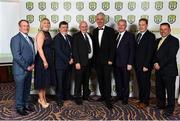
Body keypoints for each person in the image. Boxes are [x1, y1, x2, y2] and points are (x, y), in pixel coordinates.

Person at [153, 23, 179, 117]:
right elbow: (154, 54)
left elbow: (171, 56)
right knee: (160, 89)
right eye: (161, 29)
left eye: (165, 29)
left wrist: (160, 64)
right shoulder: (157, 40)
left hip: (169, 70)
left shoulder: (174, 40)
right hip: (158, 69)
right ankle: (161, 105)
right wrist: (155, 63)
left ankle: (170, 109)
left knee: (170, 91)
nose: (162, 31)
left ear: (169, 30)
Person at [10, 19, 35, 115]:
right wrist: (27, 66)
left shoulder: (30, 39)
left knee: (27, 89)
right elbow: (17, 56)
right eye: (24, 26)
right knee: (20, 89)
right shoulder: (15, 39)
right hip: (20, 70)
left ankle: (26, 105)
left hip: (29, 68)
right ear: (19, 27)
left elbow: (31, 53)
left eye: (27, 25)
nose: (26, 27)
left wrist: (32, 64)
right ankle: (19, 107)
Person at [92, 12, 116, 110]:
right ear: (96, 20)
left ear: (104, 20)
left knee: (107, 80)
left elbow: (113, 47)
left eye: (101, 19)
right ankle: (103, 96)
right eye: (98, 19)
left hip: (107, 61)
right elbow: (94, 47)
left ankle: (108, 100)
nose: (99, 21)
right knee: (100, 79)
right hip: (98, 61)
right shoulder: (94, 31)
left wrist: (111, 59)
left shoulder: (110, 30)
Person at [34, 18, 56, 108]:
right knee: (41, 80)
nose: (46, 24)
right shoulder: (41, 33)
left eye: (48, 23)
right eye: (44, 23)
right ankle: (41, 100)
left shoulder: (48, 33)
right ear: (41, 25)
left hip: (48, 59)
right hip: (42, 60)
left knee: (44, 80)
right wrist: (44, 61)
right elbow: (39, 48)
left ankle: (43, 98)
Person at [134, 18, 155, 108]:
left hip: (145, 65)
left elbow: (150, 52)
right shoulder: (138, 35)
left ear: (146, 25)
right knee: (140, 82)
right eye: (140, 24)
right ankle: (141, 99)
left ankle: (145, 101)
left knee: (145, 83)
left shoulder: (150, 36)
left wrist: (146, 65)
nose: (141, 26)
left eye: (143, 24)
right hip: (137, 65)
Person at [114, 19, 135, 105]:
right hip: (116, 63)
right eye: (119, 25)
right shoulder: (115, 35)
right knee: (118, 81)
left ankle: (125, 98)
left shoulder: (130, 35)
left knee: (125, 82)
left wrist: (130, 63)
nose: (120, 26)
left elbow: (132, 50)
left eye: (122, 25)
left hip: (126, 63)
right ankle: (119, 95)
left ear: (125, 26)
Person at [72, 21, 94, 105]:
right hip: (80, 63)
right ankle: (77, 97)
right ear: (79, 27)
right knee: (78, 81)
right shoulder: (76, 36)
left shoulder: (90, 36)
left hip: (88, 62)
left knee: (86, 80)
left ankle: (85, 96)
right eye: (82, 26)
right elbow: (74, 50)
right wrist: (77, 62)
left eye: (85, 26)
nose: (84, 28)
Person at [54, 21, 73, 107]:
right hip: (60, 65)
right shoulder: (57, 38)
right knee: (60, 82)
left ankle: (66, 96)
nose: (65, 29)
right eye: (63, 27)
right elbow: (59, 52)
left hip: (69, 64)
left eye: (66, 27)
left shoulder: (69, 37)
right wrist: (68, 60)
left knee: (67, 81)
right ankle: (59, 98)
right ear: (59, 28)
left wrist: (72, 58)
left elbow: (72, 49)